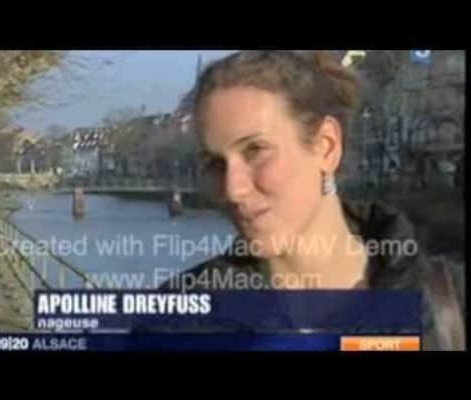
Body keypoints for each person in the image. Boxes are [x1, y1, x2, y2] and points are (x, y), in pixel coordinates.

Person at [161, 51, 465, 350]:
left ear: (326, 147)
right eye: (215, 163)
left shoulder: (451, 300)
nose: (232, 189)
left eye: (255, 150)